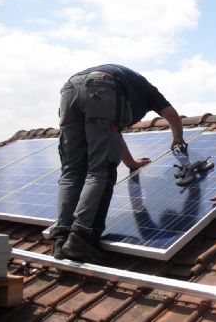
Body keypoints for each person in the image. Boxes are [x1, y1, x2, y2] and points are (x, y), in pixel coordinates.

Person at [50, 64, 186, 263]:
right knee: (100, 170)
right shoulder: (149, 91)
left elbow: (112, 134)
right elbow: (173, 116)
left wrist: (131, 162)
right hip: (102, 87)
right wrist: (178, 139)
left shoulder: (130, 87)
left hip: (70, 89)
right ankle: (81, 238)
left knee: (72, 170)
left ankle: (61, 239)